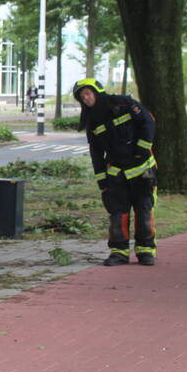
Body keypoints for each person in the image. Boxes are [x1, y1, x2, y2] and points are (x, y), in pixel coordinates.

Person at [73, 78, 158, 266]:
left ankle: (146, 251)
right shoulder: (92, 120)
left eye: (88, 93)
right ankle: (119, 252)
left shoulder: (124, 103)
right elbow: (96, 152)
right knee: (117, 213)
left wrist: (141, 150)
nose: (86, 98)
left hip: (142, 170)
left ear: (97, 92)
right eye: (82, 96)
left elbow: (148, 122)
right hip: (117, 173)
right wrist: (102, 182)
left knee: (144, 210)